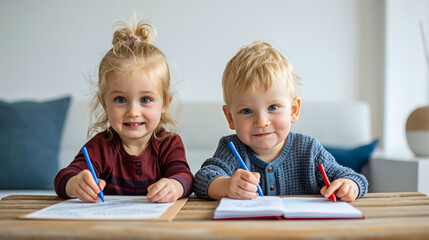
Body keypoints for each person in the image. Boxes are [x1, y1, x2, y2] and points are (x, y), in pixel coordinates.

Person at [194, 41, 368, 203]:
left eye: (273, 107)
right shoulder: (231, 148)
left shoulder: (309, 150)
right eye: (247, 111)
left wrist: (348, 185)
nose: (261, 122)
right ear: (230, 117)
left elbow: (352, 177)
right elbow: (203, 179)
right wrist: (226, 186)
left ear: (293, 110)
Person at [55, 16, 193, 203]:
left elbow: (184, 176)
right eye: (120, 99)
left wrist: (174, 186)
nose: (133, 112)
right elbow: (65, 176)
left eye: (145, 99)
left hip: (159, 229)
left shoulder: (168, 144)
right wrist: (75, 183)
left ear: (165, 104)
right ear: (104, 103)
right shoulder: (101, 146)